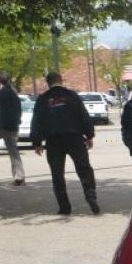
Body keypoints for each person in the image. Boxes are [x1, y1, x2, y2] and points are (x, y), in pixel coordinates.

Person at [30, 71, 99, 215]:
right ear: (61, 80)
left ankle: (64, 207)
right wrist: (89, 135)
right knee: (84, 168)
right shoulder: (72, 96)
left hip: (53, 141)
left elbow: (36, 121)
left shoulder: (43, 99)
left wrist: (37, 142)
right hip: (74, 138)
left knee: (57, 174)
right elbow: (83, 115)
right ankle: (90, 194)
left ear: (47, 83)